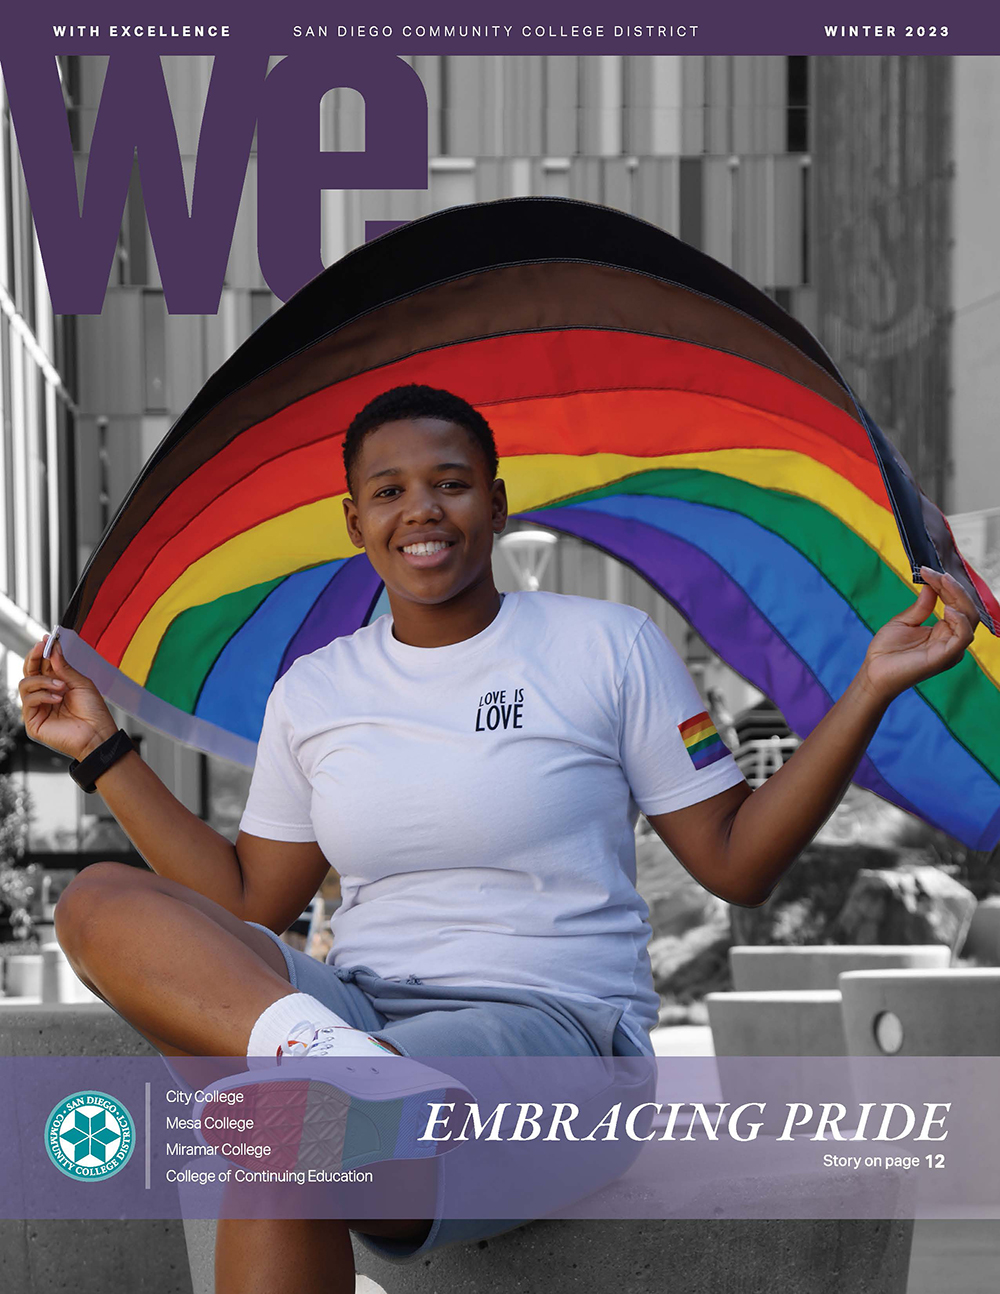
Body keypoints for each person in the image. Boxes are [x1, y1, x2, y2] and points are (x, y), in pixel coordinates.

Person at [20, 384, 977, 1293]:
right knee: (100, 900)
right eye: (388, 491)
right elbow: (246, 907)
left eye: (450, 482)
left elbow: (737, 861)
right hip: (351, 1013)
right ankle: (338, 1065)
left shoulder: (608, 646)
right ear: (355, 523)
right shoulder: (314, 689)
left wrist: (868, 694)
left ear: (499, 503)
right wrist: (102, 751)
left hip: (557, 1034)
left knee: (293, 1128)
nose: (422, 511)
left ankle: (337, 1080)